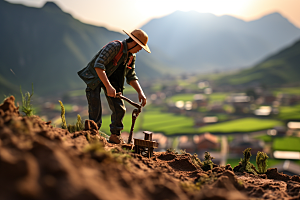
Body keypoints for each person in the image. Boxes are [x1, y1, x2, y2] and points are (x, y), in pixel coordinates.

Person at [77, 29, 151, 144]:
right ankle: (91, 135)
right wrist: (108, 86)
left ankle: (115, 136)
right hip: (95, 78)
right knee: (95, 108)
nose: (141, 49)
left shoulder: (131, 56)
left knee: (119, 109)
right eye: (140, 46)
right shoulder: (114, 47)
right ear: (134, 42)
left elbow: (131, 76)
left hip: (113, 81)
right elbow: (98, 66)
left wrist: (140, 92)